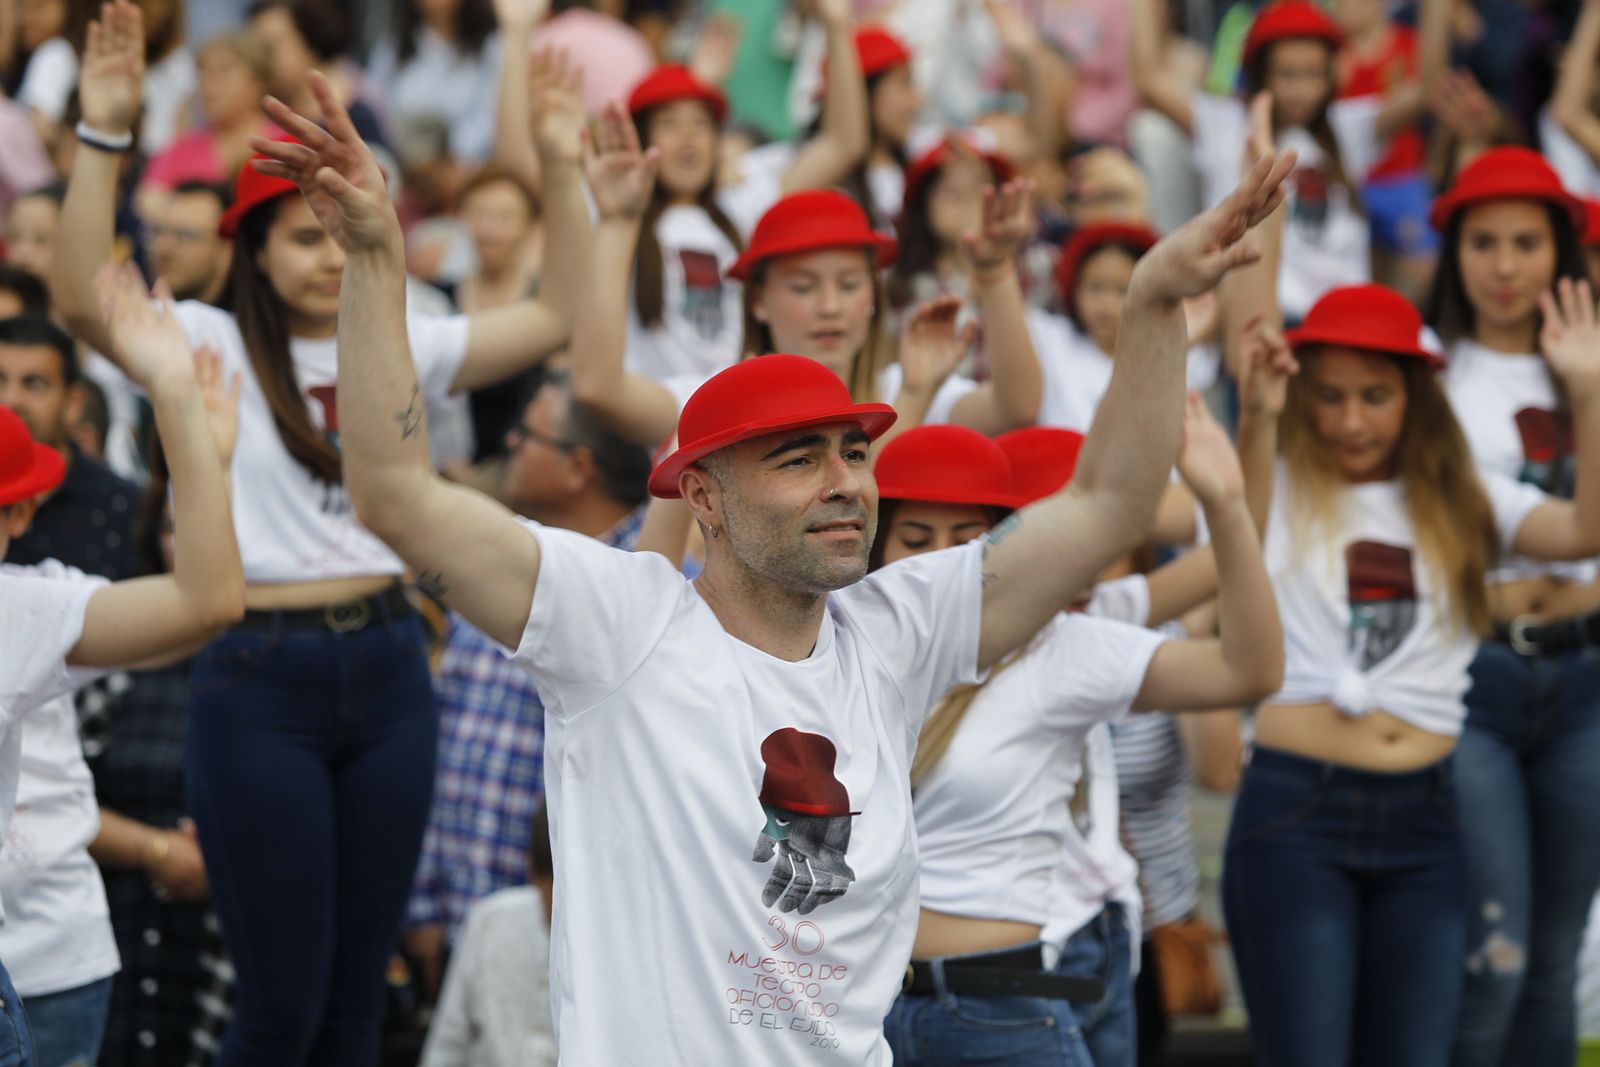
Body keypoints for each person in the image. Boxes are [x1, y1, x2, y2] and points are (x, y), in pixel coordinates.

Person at [249, 68, 1294, 1062]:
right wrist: (379, 259)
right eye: (797, 459)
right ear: (700, 496)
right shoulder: (619, 624)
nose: (846, 480)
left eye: (852, 451)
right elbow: (392, 493)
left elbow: (1108, 498)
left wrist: (1154, 305)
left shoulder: (900, 627)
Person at [51, 4, 589, 1062]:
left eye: (341, 230)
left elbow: (557, 312)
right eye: (304, 234)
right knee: (278, 1008)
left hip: (391, 662)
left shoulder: (400, 332)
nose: (328, 255)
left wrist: (563, 170)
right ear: (251, 247)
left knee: (355, 1009)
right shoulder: (199, 337)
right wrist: (105, 132)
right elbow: (76, 296)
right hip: (260, 671)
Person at [1221, 276, 1600, 1067]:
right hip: (1298, 816)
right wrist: (1256, 412)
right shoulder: (1277, 483)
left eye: (1375, 395)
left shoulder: (1461, 496)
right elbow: (1236, 525)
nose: (1350, 419)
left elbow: (1580, 530)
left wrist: (1589, 393)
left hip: (1429, 820)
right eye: (1328, 396)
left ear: (1416, 399)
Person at [872, 407, 1281, 1067]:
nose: (938, 561)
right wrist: (916, 388)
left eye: (967, 537)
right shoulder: (850, 635)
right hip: (866, 1010)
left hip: (1008, 1005)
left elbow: (1249, 669)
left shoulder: (1062, 644)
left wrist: (1227, 499)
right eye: (914, 537)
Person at [0, 259, 244, 1067]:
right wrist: (180, 414)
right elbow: (208, 601)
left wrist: (183, 420)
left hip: (50, 953)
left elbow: (206, 601)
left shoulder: (21, 609)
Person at [1421, 146, 1600, 1067]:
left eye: (1527, 242)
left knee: (1555, 962)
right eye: (1482, 242)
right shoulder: (1430, 377)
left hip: (1588, 677)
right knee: (1493, 955)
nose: (1503, 265)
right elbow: (1567, 531)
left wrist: (1587, 384)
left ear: (1561, 251)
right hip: (1478, 675)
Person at [567, 108, 1042, 451]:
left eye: (851, 284)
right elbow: (599, 388)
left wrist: (996, 272)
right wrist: (616, 224)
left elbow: (1016, 405)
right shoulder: (715, 398)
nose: (830, 306)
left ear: (875, 297)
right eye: (803, 286)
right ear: (757, 301)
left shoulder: (907, 384)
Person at [404, 371, 652, 996]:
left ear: (579, 468)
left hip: (581, 940)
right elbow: (441, 737)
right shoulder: (496, 563)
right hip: (465, 925)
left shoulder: (657, 588)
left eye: (527, 436)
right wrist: (423, 902)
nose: (509, 444)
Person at [88, 457, 234, 1067]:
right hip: (112, 935)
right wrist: (156, 849)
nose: (190, 549)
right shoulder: (114, 662)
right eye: (175, 529)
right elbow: (48, 806)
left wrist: (227, 858)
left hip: (225, 955)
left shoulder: (287, 673)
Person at [0, 313, 143, 581]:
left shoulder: (126, 508)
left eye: (34, 384)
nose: (10, 400)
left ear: (73, 402)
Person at [418, 800, 557, 1067]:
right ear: (533, 874)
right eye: (555, 892)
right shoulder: (491, 920)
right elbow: (448, 1043)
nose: (563, 907)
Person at [145, 179, 232, 303]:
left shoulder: (244, 321)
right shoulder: (133, 314)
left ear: (226, 252)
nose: (164, 246)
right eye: (158, 231)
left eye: (186, 235)